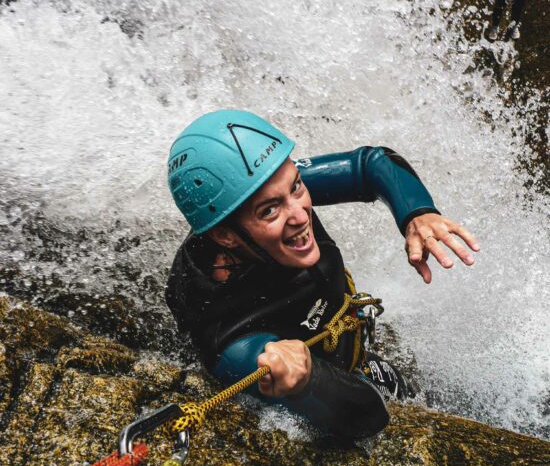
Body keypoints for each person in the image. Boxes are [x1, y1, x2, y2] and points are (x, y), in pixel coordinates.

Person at [165, 110, 480, 438]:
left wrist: (417, 212)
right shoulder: (235, 348)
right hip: (344, 380)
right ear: (224, 236)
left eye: (297, 187)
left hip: (348, 344)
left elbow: (370, 164)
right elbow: (367, 418)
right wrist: (306, 379)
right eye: (270, 210)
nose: (300, 215)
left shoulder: (259, 195)